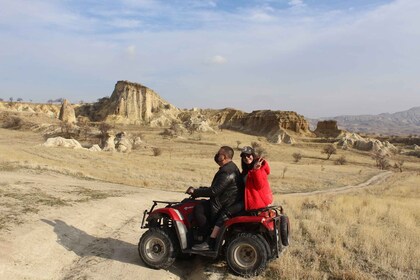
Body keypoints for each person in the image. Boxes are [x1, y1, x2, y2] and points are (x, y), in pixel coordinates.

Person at [186, 146, 244, 251]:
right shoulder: (232, 167)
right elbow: (218, 188)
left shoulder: (226, 171)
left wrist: (195, 191)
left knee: (199, 209)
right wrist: (200, 190)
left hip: (223, 205)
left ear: (224, 156)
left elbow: (214, 191)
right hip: (228, 201)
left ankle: (206, 239)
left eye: (219, 154)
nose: (217, 156)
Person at [240, 146, 273, 210]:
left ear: (253, 155)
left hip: (260, 203)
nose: (246, 158)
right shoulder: (246, 171)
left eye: (248, 155)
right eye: (244, 156)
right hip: (250, 201)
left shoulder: (260, 168)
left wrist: (256, 170)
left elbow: (259, 185)